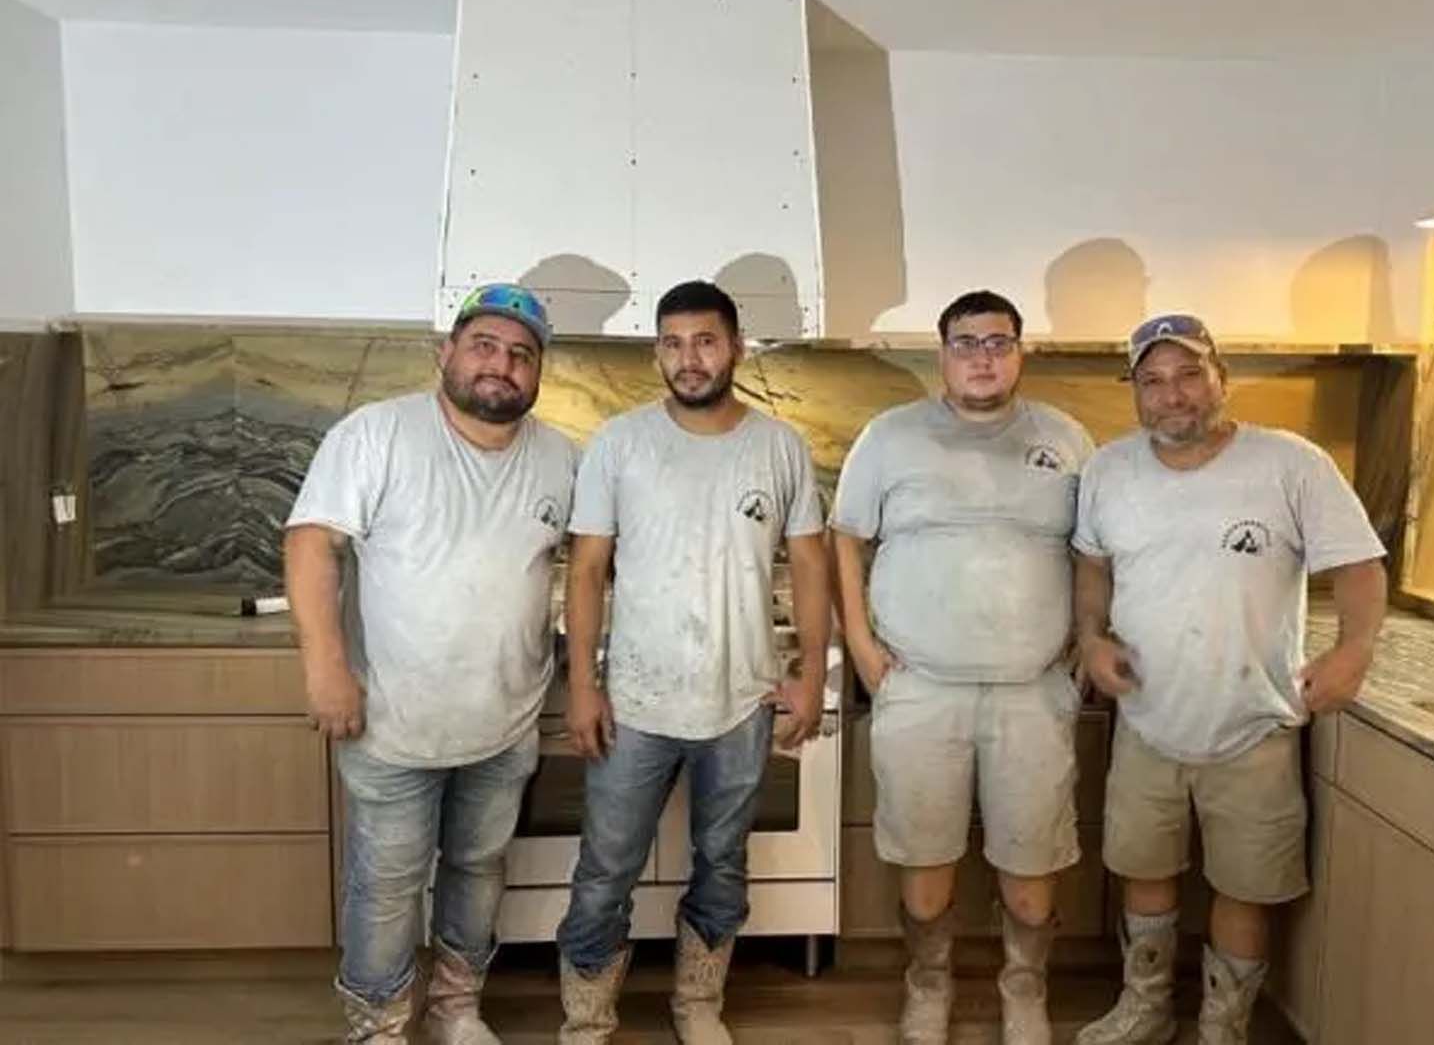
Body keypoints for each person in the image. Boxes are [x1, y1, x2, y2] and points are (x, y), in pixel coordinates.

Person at [1072, 314, 1387, 1045]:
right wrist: (1091, 638)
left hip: (1255, 723)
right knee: (1144, 873)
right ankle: (1146, 1010)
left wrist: (1355, 650)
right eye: (1152, 381)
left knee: (1244, 887)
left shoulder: (1291, 464)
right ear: (1135, 394)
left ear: (1221, 379)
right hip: (1147, 720)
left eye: (1188, 375)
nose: (1171, 395)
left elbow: (1361, 566)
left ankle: (1224, 1027)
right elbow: (1092, 565)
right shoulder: (1109, 470)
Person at [284, 283, 578, 1045]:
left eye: (521, 355)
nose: (501, 366)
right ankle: (379, 1024)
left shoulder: (560, 458)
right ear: (446, 353)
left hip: (505, 719)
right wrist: (326, 667)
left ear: (538, 373)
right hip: (391, 721)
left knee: (478, 869)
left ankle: (455, 1006)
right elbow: (312, 541)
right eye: (484, 345)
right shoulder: (376, 434)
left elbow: (589, 560)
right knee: (386, 885)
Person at [554, 280, 832, 1044]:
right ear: (658, 352)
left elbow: (810, 566)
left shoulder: (778, 446)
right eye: (672, 344)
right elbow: (585, 571)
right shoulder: (620, 443)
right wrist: (584, 685)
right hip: (636, 701)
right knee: (606, 869)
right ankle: (586, 1017)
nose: (689, 358)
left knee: (722, 864)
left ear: (736, 346)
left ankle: (697, 1003)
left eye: (705, 340)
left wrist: (808, 672)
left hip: (740, 701)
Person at [832, 290, 1096, 1045]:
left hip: (1032, 690)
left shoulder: (1067, 437)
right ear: (941, 352)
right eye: (966, 342)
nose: (982, 356)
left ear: (1021, 351)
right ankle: (928, 984)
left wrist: (1086, 633)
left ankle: (1024, 989)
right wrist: (860, 643)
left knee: (1033, 856)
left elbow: (1095, 551)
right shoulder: (890, 437)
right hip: (920, 687)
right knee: (924, 851)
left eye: (998, 342)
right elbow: (844, 537)